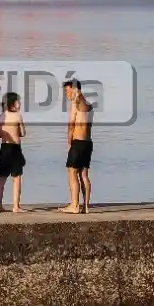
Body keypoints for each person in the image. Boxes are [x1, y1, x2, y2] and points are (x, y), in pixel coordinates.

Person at [61, 79, 93, 214]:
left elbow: (71, 125)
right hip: (88, 143)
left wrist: (69, 143)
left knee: (72, 172)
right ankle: (85, 206)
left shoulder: (75, 104)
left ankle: (74, 205)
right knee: (84, 175)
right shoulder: (89, 105)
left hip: (78, 142)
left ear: (74, 89)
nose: (66, 94)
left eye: (67, 91)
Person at [0, 92, 26, 213]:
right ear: (13, 103)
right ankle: (16, 206)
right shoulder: (17, 116)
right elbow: (23, 133)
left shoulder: (1, 116)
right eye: (18, 101)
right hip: (15, 149)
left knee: (2, 178)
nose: (19, 103)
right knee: (16, 178)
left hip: (4, 148)